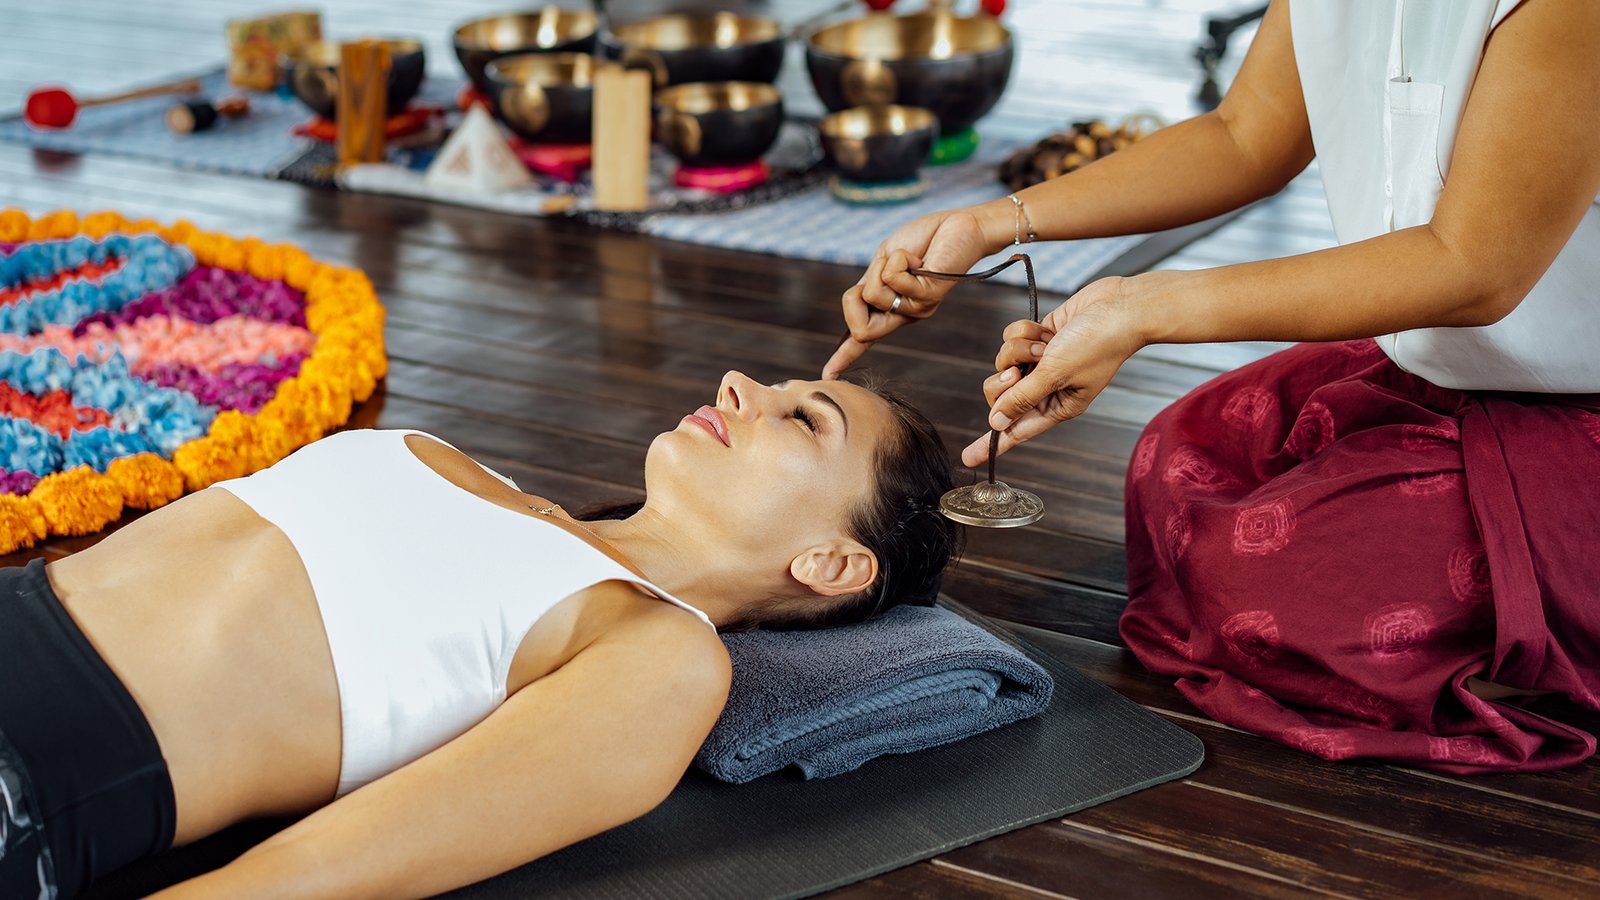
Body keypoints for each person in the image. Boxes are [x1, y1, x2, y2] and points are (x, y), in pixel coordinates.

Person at [827, 0, 1600, 772]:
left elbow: (1472, 268)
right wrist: (995, 223)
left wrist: (1146, 308)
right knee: (1178, 455)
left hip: (1573, 402)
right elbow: (1244, 135)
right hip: (1444, 365)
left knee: (1288, 584)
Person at [0, 371, 958, 899]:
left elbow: (306, 878)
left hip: (41, 768)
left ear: (833, 564)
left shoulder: (659, 653)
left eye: (803, 418)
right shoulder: (450, 461)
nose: (740, 383)